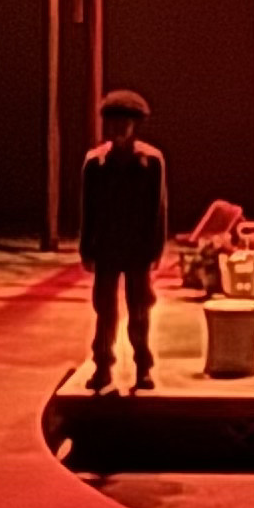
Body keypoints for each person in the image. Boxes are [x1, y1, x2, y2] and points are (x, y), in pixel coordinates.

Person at [80, 88, 169, 394]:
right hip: (106, 246)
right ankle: (103, 366)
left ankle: (143, 366)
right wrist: (86, 248)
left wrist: (156, 249)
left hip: (137, 248)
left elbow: (158, 210)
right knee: (105, 311)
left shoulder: (151, 163)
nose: (119, 129)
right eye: (113, 122)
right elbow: (87, 210)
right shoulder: (95, 164)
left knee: (139, 311)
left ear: (135, 125)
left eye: (125, 123)